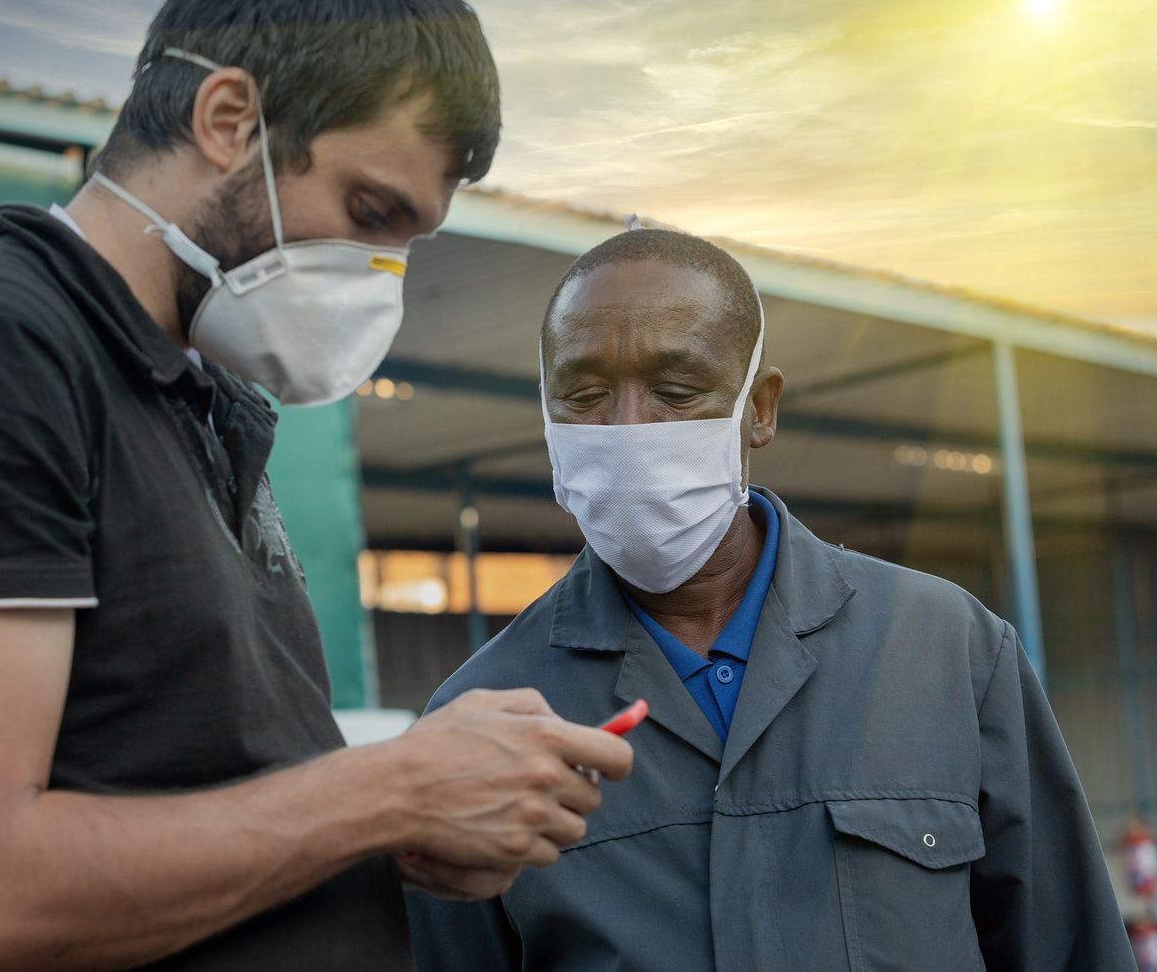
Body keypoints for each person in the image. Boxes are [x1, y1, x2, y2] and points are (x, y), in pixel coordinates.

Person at [0, 0, 636, 972]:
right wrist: (395, 784)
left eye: (402, 245)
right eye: (367, 210)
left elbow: (198, 795)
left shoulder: (193, 399)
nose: (376, 277)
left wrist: (400, 826)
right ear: (229, 116)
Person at [405, 228, 1134, 971]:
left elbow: (1070, 947)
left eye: (677, 391)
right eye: (584, 395)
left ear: (759, 408)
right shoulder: (485, 715)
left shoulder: (949, 651)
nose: (627, 430)